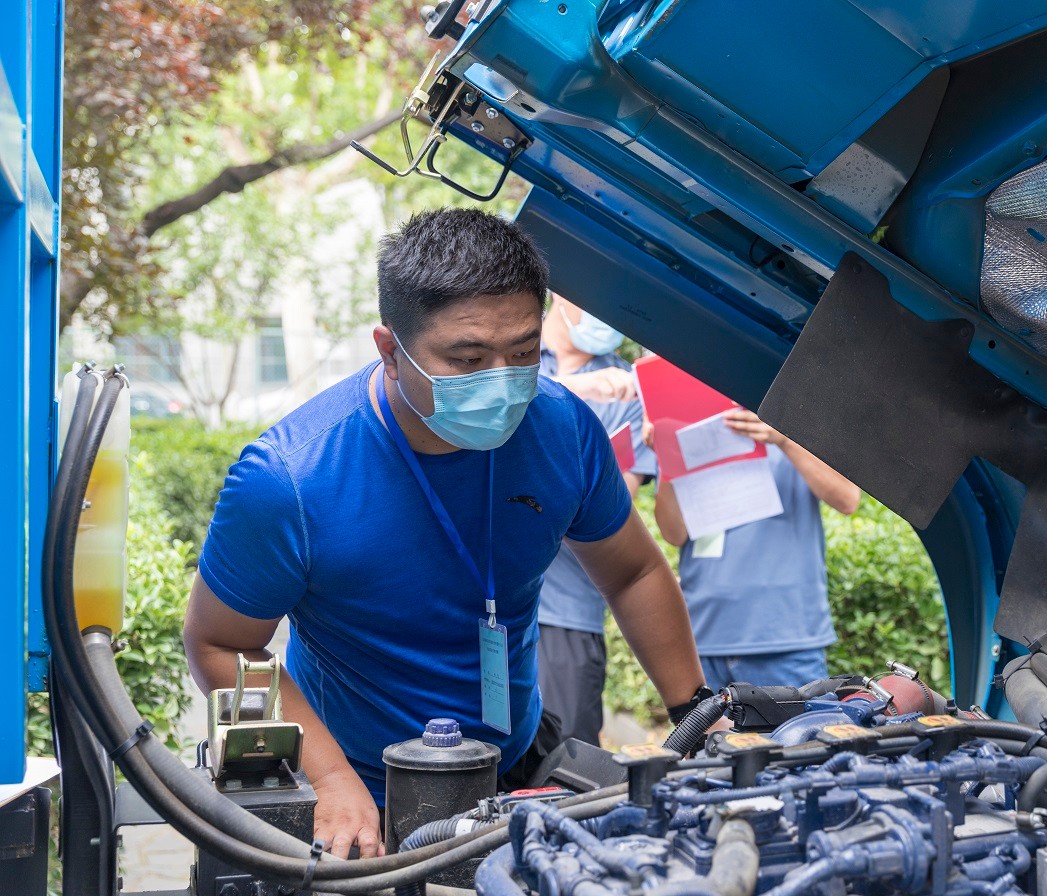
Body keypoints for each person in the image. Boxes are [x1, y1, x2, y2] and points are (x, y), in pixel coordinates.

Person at [183, 209, 709, 861]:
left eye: (521, 353)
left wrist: (695, 709)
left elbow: (632, 573)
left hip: (511, 761)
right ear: (390, 351)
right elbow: (217, 644)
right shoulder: (290, 479)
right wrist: (327, 779)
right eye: (467, 360)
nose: (503, 382)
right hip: (358, 786)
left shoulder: (563, 429)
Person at [649, 409, 860, 689]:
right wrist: (668, 456)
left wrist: (784, 440)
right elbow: (673, 533)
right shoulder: (688, 422)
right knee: (706, 736)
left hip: (782, 635)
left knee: (796, 734)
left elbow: (847, 499)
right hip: (702, 635)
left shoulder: (801, 416)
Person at [535, 294, 656, 745]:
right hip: (479, 610)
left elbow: (607, 511)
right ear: (561, 294)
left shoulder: (627, 388)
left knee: (562, 764)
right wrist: (571, 395)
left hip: (567, 611)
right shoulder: (504, 360)